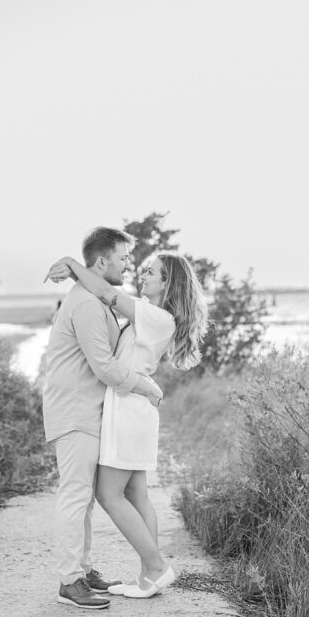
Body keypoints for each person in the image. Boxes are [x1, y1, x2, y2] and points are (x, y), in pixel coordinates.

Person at [45, 250, 208, 598]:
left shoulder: (155, 316)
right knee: (136, 494)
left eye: (152, 272)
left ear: (167, 283)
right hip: (134, 407)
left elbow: (106, 294)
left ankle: (156, 567)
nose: (143, 275)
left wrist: (74, 266)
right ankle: (149, 578)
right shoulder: (153, 317)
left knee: (108, 493)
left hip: (129, 408)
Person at [40, 227, 164, 610]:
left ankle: (83, 570)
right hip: (76, 411)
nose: (129, 264)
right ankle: (70, 581)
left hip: (89, 412)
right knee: (76, 495)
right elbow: (105, 368)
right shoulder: (89, 304)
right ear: (102, 262)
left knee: (85, 499)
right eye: (124, 258)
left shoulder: (96, 298)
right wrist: (146, 387)